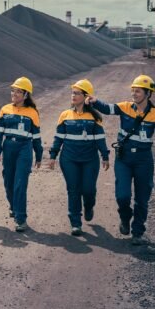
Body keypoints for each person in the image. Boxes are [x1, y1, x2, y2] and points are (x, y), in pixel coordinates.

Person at [86, 74, 155, 245]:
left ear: (147, 93)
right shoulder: (125, 107)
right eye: (133, 91)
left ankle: (137, 231)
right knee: (122, 195)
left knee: (142, 199)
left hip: (144, 161)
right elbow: (107, 108)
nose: (133, 94)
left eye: (137, 91)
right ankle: (125, 217)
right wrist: (94, 101)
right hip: (124, 158)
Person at [47, 79, 110, 236]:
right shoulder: (65, 115)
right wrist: (53, 155)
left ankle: (89, 206)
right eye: (72, 92)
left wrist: (105, 155)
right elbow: (58, 138)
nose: (73, 95)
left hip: (90, 160)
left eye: (77, 93)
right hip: (69, 159)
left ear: (86, 96)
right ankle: (75, 223)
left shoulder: (95, 117)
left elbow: (100, 139)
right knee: (73, 189)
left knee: (88, 189)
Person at [0, 77, 43, 232]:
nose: (14, 93)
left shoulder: (32, 113)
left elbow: (36, 137)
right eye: (13, 90)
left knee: (20, 184)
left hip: (24, 149)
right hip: (8, 148)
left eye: (18, 91)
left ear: (25, 95)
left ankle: (21, 219)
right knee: (8, 183)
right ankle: (14, 206)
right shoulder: (5, 109)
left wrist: (39, 156)